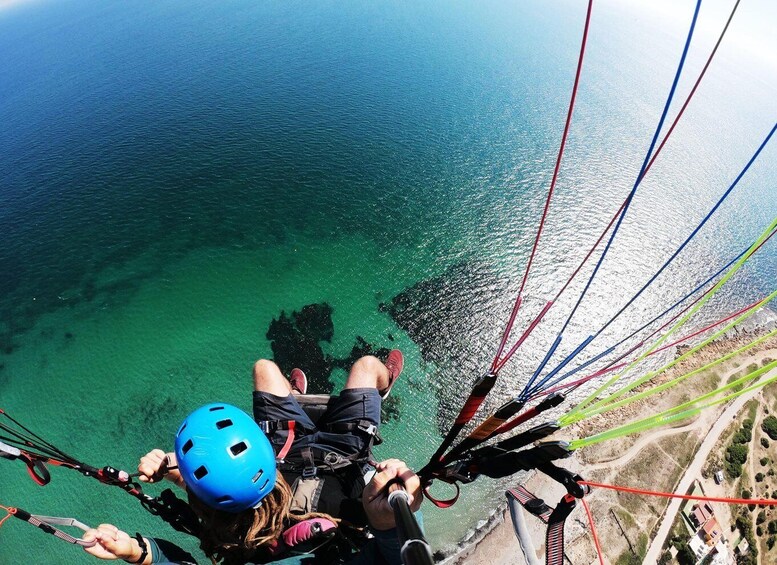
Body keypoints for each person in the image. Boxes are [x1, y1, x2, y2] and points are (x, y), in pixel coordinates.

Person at [82, 351, 423, 564]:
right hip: (341, 455)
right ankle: (382, 385)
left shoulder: (234, 526)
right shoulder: (351, 518)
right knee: (366, 366)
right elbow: (398, 557)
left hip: (282, 453)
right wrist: (388, 519)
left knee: (264, 369)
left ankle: (293, 399)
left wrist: (140, 552)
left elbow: (213, 490)